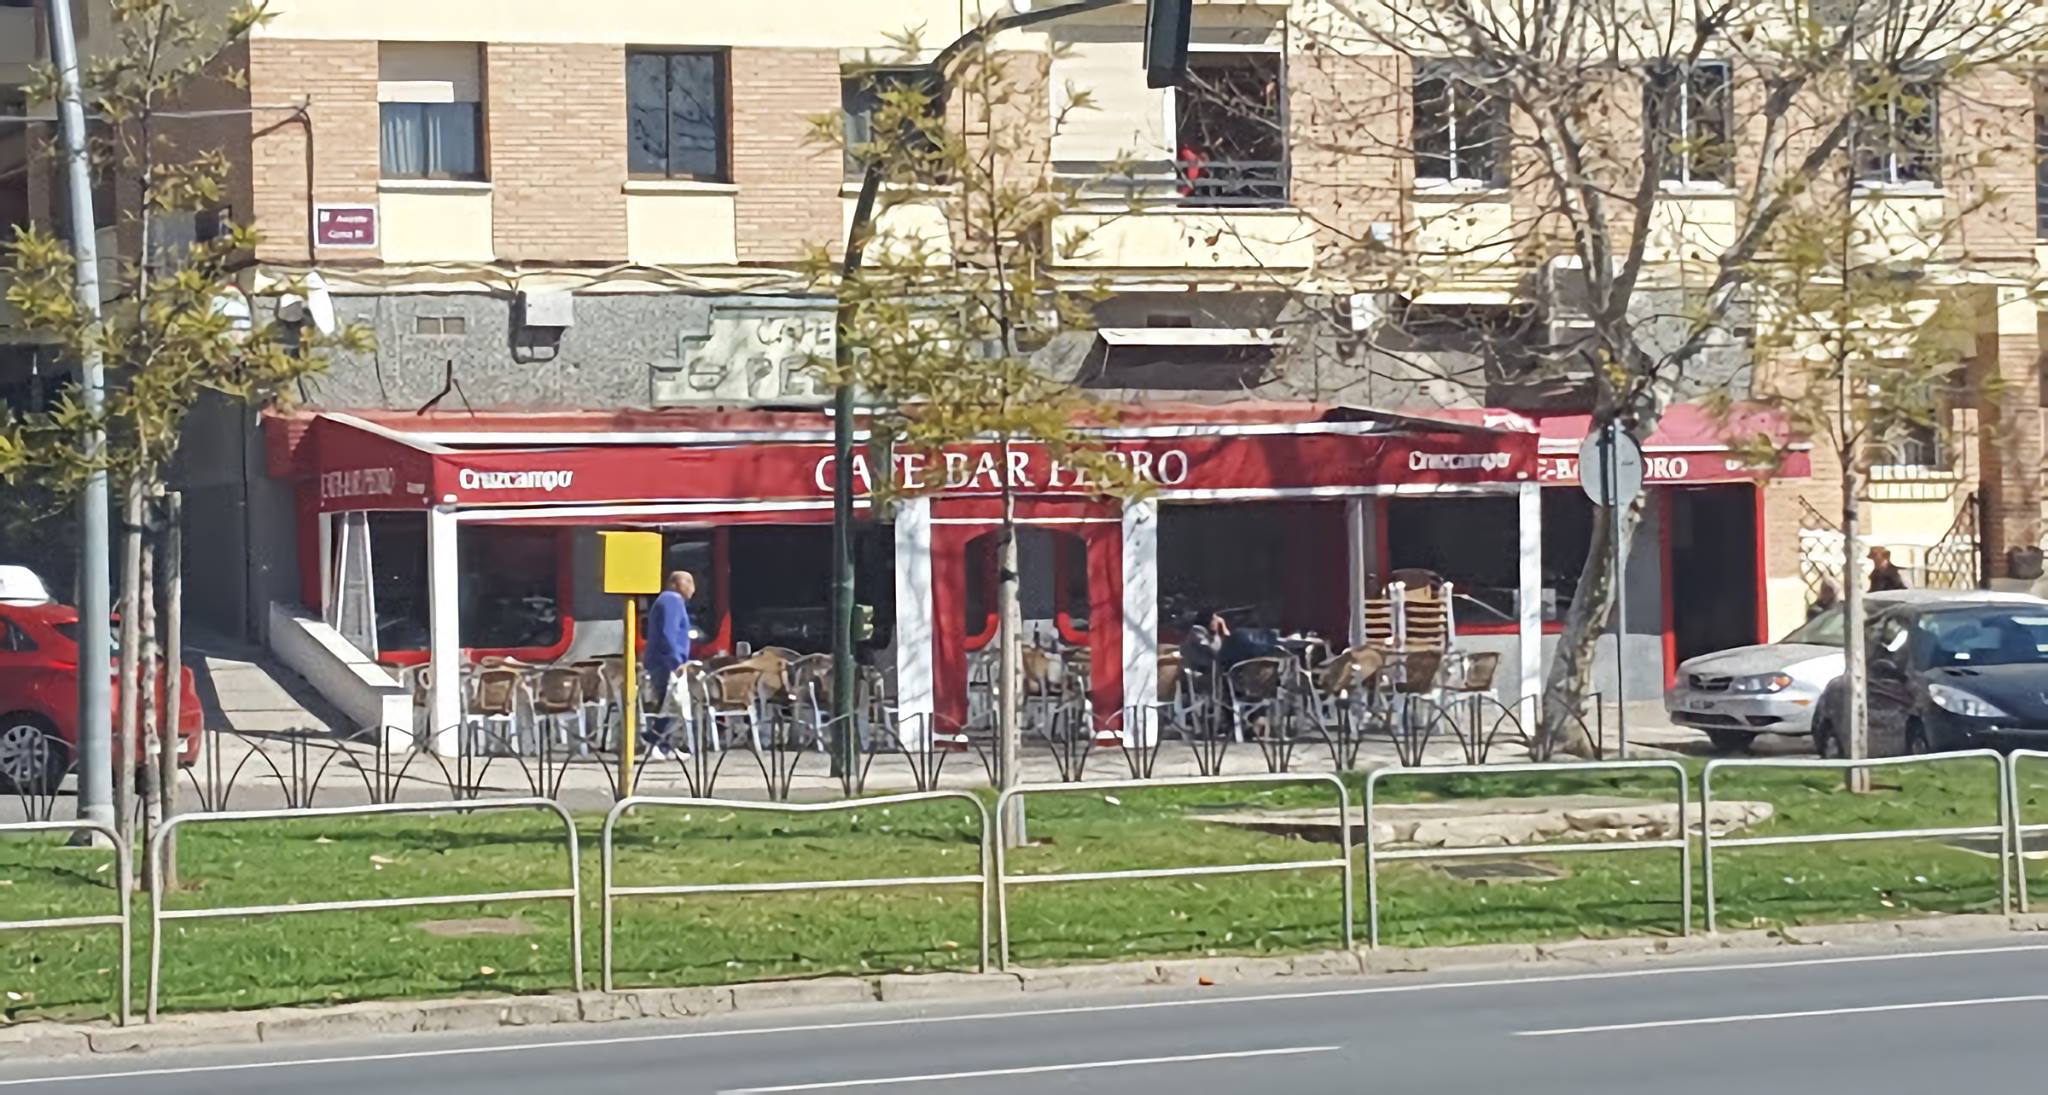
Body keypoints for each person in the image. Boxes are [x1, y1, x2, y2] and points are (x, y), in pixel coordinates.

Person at [644, 571, 695, 756]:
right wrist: (676, 661)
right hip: (666, 662)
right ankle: (653, 740)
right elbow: (668, 633)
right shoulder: (671, 600)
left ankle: (665, 745)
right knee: (671, 702)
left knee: (673, 704)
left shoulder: (669, 601)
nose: (692, 587)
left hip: (664, 660)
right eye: (687, 582)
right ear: (673, 584)